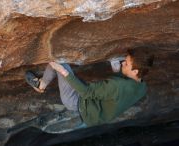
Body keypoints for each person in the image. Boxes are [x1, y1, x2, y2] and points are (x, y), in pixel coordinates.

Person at [25, 47, 154, 127]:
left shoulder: (116, 86)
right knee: (75, 78)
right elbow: (123, 87)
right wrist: (119, 70)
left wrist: (62, 71)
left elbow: (86, 92)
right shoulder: (142, 87)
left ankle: (40, 85)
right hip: (98, 113)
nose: (123, 62)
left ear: (135, 71)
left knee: (60, 63)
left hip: (77, 101)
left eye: (126, 63)